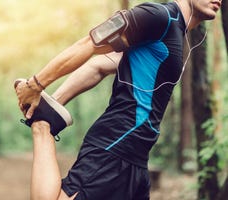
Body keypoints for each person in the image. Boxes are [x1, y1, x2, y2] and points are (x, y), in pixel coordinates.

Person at [14, 0, 222, 199]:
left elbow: (99, 66)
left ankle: (45, 117)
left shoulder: (175, 33)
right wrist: (35, 86)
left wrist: (55, 102)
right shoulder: (158, 17)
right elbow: (90, 42)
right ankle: (41, 126)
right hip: (114, 146)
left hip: (137, 159)